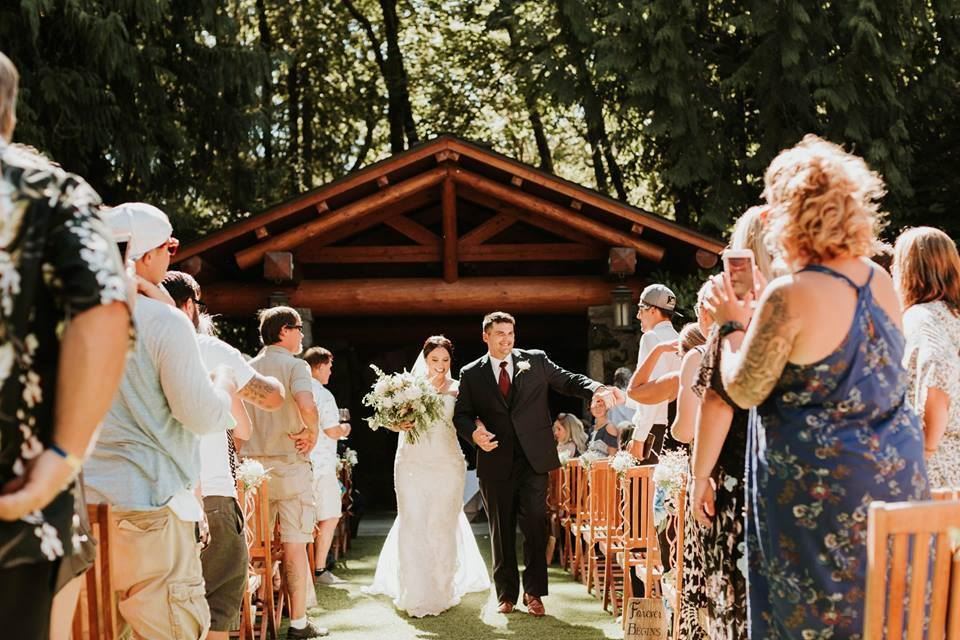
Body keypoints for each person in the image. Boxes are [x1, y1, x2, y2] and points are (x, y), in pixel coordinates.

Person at [704, 135, 928, 638]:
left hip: (822, 499)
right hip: (895, 484)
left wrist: (730, 324)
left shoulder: (791, 295)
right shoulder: (879, 280)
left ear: (790, 214)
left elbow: (742, 389)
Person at [0, 50, 131, 638]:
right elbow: (103, 307)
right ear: (9, 116)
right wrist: (62, 457)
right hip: (14, 504)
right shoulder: (49, 193)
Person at [84, 202, 238, 639]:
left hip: (84, 506)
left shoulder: (67, 316)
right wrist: (223, 384)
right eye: (170, 247)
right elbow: (201, 414)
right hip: (150, 504)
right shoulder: (164, 321)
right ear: (146, 254)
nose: (172, 257)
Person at [453, 311, 619, 617]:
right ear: (486, 336)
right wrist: (474, 435)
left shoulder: (536, 360)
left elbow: (568, 381)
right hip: (495, 459)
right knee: (501, 530)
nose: (506, 339)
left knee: (534, 525)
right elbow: (461, 414)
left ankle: (534, 593)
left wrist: (596, 388)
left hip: (535, 459)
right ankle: (506, 594)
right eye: (499, 334)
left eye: (510, 333)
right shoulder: (471, 373)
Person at [161, 270, 285, 640]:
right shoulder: (209, 350)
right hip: (212, 493)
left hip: (152, 496)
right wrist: (232, 382)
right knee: (218, 603)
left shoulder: (130, 348)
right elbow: (270, 401)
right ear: (189, 306)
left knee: (163, 606)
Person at [364, 336, 490, 617]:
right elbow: (387, 418)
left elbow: (472, 416)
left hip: (447, 463)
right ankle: (414, 589)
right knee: (413, 521)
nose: (440, 365)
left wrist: (480, 430)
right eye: (435, 360)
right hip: (412, 462)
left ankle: (441, 588)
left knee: (442, 522)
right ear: (425, 359)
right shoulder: (408, 388)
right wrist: (396, 424)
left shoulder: (459, 388)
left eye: (445, 360)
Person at [245, 306, 327, 639]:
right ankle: (298, 623)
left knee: (252, 547)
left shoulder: (246, 367)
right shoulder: (296, 366)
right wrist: (313, 432)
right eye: (297, 327)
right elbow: (306, 404)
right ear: (283, 331)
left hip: (251, 473)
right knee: (295, 544)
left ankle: (248, 617)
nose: (302, 334)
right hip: (290, 466)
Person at [894, 226, 960, 487]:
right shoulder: (952, 316)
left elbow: (940, 366)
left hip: (937, 467)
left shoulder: (921, 317)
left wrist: (927, 447)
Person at [303, 346, 351, 584]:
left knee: (302, 520)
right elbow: (332, 431)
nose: (331, 372)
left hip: (301, 464)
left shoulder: (297, 390)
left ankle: (301, 568)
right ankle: (319, 569)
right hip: (321, 465)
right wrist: (345, 428)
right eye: (329, 367)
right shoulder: (323, 394)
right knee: (330, 515)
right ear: (320, 366)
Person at [627, 284, 681, 462]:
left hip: (652, 429)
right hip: (676, 426)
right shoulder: (680, 339)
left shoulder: (651, 338)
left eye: (641, 309)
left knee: (642, 480)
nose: (638, 315)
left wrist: (639, 436)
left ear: (653, 310)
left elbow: (654, 391)